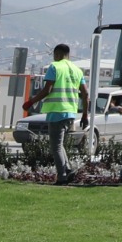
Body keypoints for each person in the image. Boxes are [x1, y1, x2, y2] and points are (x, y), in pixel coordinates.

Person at [33, 44, 86, 183]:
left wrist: (32, 101)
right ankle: (68, 170)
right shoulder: (77, 70)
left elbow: (47, 89)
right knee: (59, 144)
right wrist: (85, 115)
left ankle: (62, 176)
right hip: (70, 112)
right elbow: (85, 94)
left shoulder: (54, 67)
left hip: (57, 111)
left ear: (57, 54)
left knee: (55, 146)